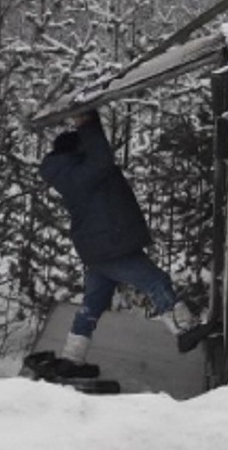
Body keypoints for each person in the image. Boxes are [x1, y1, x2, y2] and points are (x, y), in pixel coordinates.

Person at [39, 110, 205, 378]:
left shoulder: (71, 173)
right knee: (156, 281)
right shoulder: (80, 172)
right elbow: (103, 159)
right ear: (75, 150)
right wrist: (88, 124)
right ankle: (184, 330)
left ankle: (72, 358)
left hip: (98, 248)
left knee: (91, 306)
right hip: (109, 246)